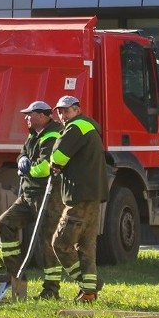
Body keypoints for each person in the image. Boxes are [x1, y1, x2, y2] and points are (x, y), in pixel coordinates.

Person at [0, 101, 64, 300]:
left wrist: (27, 169)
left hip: (47, 195)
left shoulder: (52, 135)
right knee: (5, 223)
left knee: (47, 242)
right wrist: (21, 161)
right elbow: (23, 153)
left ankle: (51, 290)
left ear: (42, 116)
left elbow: (44, 168)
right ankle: (15, 274)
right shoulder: (34, 134)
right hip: (28, 195)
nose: (26, 118)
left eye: (29, 114)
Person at [50, 95, 109, 303]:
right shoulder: (88, 127)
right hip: (93, 196)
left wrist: (54, 165)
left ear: (77, 110)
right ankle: (89, 293)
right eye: (59, 111)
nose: (62, 115)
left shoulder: (76, 127)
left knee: (60, 243)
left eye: (66, 111)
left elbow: (57, 156)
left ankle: (88, 285)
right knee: (86, 247)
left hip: (79, 196)